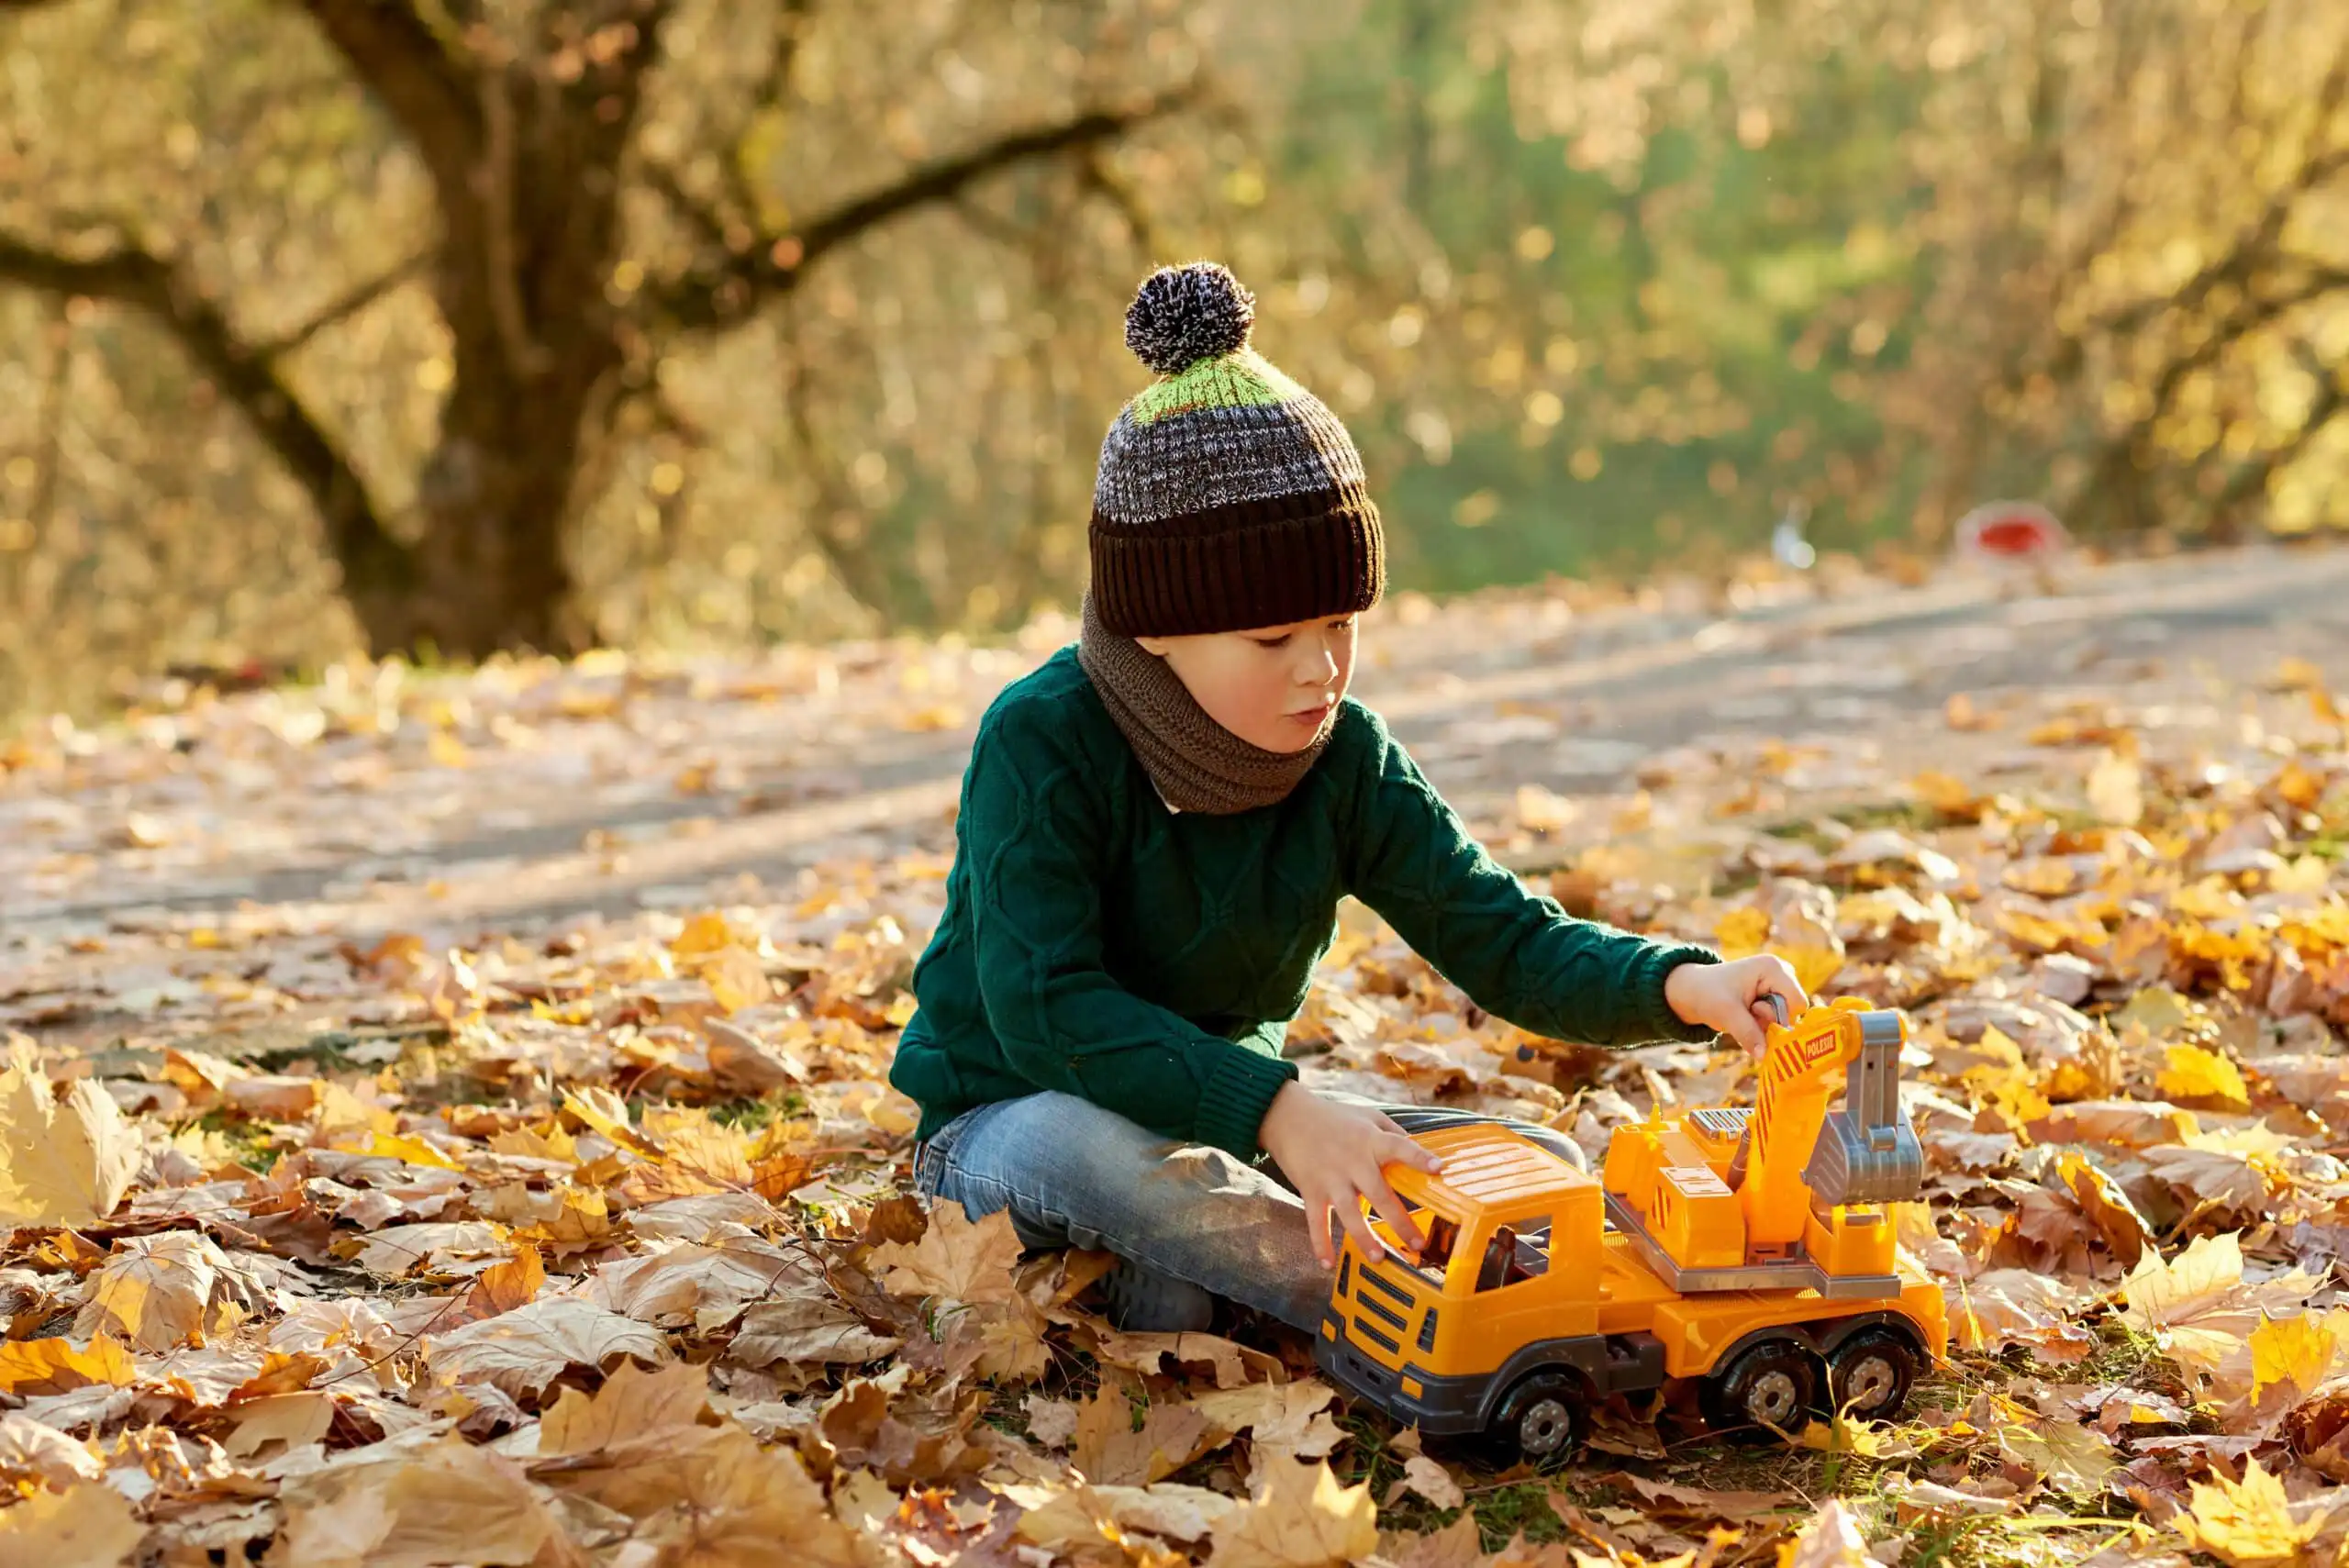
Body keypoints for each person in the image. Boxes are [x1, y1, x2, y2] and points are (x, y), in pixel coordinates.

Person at [887, 262, 1805, 1333]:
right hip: (1008, 1125)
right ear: (1156, 625)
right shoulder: (1042, 738)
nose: (1320, 668)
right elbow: (1043, 1011)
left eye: (1340, 624)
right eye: (1274, 638)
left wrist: (1683, 984)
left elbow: (1503, 935)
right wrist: (1281, 1108)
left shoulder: (1342, 757)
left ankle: (1207, 1285)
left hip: (1218, 1128)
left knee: (1534, 1161)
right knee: (1081, 1144)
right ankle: (1416, 1303)